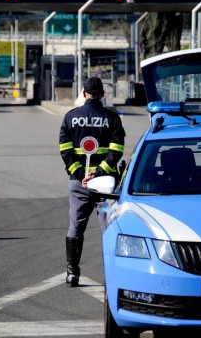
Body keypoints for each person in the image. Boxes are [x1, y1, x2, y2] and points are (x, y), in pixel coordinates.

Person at [58, 76, 126, 287]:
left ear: (84, 93)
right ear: (103, 94)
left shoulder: (71, 117)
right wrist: (99, 174)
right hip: (106, 184)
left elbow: (65, 150)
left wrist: (81, 175)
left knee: (75, 227)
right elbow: (117, 150)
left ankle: (72, 273)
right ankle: (112, 276)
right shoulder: (112, 118)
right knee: (109, 229)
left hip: (80, 184)